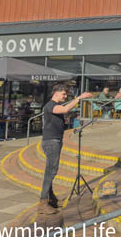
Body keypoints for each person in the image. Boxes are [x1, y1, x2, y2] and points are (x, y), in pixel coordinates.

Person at [38, 85, 92, 214]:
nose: (65, 96)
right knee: (51, 171)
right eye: (63, 94)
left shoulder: (53, 105)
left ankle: (51, 199)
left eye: (66, 95)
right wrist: (79, 98)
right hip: (51, 142)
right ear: (55, 93)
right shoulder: (50, 105)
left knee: (51, 170)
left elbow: (64, 110)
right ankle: (43, 202)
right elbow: (65, 109)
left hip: (54, 140)